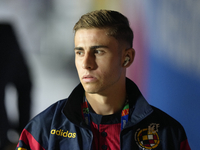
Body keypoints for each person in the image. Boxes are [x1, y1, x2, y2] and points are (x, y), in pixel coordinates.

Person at [16, 10, 191, 150]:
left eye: (98, 51)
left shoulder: (168, 133)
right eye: (79, 52)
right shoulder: (43, 131)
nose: (86, 63)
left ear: (127, 58)